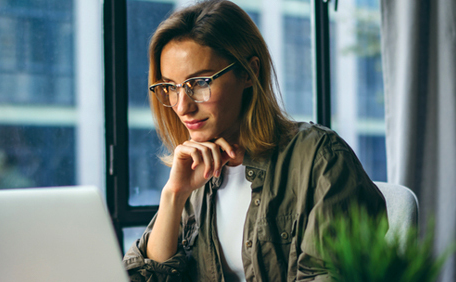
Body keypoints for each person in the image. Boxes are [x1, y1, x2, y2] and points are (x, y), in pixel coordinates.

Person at [122, 1, 387, 281]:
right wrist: (174, 195)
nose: (181, 107)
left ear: (249, 73)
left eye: (199, 83)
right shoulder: (194, 172)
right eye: (170, 87)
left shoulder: (320, 159)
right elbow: (141, 277)